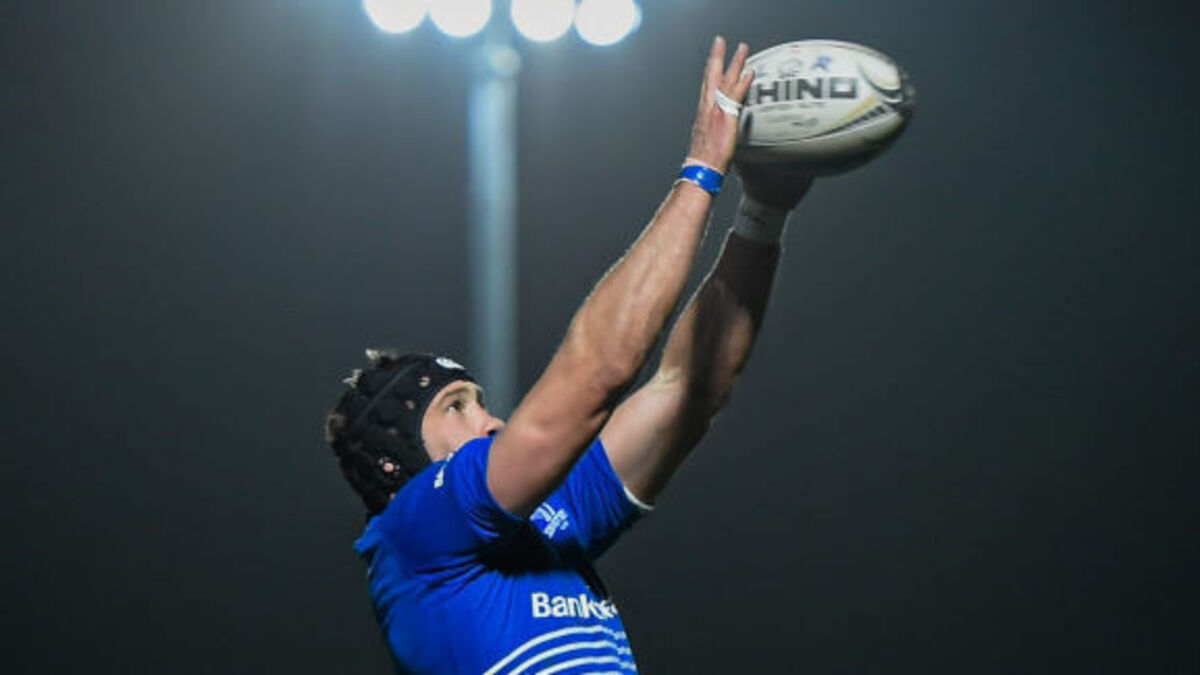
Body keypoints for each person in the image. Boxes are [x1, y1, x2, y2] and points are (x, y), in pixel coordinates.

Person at [325, 36, 813, 674]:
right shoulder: (414, 531)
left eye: (480, 400)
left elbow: (689, 388)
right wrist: (701, 167)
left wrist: (763, 211)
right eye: (456, 407)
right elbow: (597, 374)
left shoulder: (551, 520)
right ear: (396, 463)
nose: (491, 421)